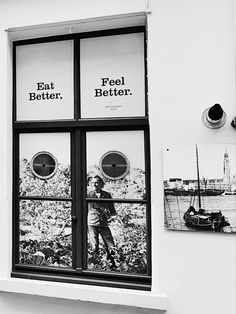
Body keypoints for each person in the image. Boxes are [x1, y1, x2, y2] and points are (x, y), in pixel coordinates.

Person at [87, 175, 117, 268]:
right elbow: (83, 210)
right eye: (92, 183)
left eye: (96, 182)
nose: (94, 184)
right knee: (94, 245)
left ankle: (112, 264)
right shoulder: (88, 195)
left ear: (101, 184)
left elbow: (112, 210)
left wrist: (112, 218)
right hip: (92, 223)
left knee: (110, 244)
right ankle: (95, 265)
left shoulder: (107, 195)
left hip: (104, 223)